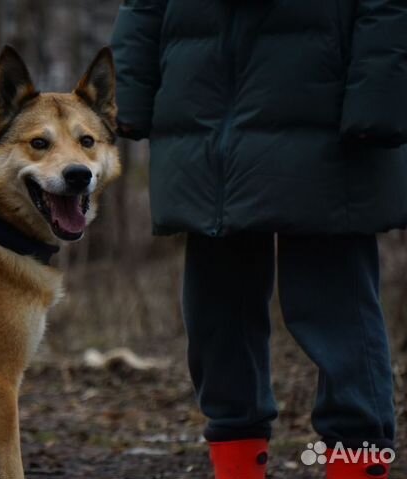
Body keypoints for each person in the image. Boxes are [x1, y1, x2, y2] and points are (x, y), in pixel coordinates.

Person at [111, 1, 406, 478]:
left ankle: (357, 465)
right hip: (204, 117)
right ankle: (237, 469)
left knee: (336, 312)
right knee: (217, 318)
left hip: (324, 116)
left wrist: (378, 98)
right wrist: (128, 96)